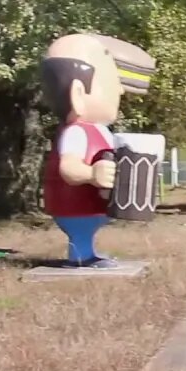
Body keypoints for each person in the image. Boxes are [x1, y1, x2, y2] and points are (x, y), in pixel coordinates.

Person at [40, 33, 155, 269]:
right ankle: (80, 255)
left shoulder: (100, 131)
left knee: (89, 225)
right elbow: (69, 168)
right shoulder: (76, 133)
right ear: (79, 95)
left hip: (93, 203)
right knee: (81, 227)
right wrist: (91, 174)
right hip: (75, 203)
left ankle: (87, 251)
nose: (121, 92)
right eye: (113, 84)